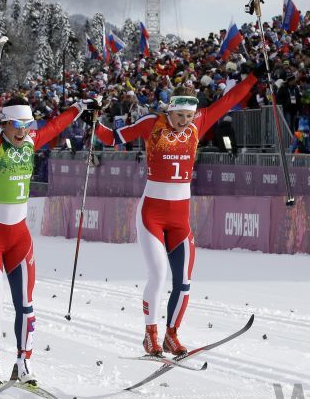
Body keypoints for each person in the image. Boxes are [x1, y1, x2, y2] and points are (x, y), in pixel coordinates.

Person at [94, 66, 263, 356]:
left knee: (183, 283)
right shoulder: (152, 123)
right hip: (152, 216)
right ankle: (150, 335)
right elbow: (111, 138)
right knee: (158, 275)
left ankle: (172, 335)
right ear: (170, 111)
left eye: (188, 116)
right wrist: (93, 121)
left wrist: (254, 78)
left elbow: (230, 98)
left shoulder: (200, 121)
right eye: (179, 116)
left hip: (180, 219)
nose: (184, 122)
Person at [0, 39, 90, 387]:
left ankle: (23, 364)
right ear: (5, 125)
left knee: (27, 306)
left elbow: (54, 127)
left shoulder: (28, 143)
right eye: (17, 128)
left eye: (27, 127)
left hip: (19, 236)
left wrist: (80, 108)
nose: (24, 134)